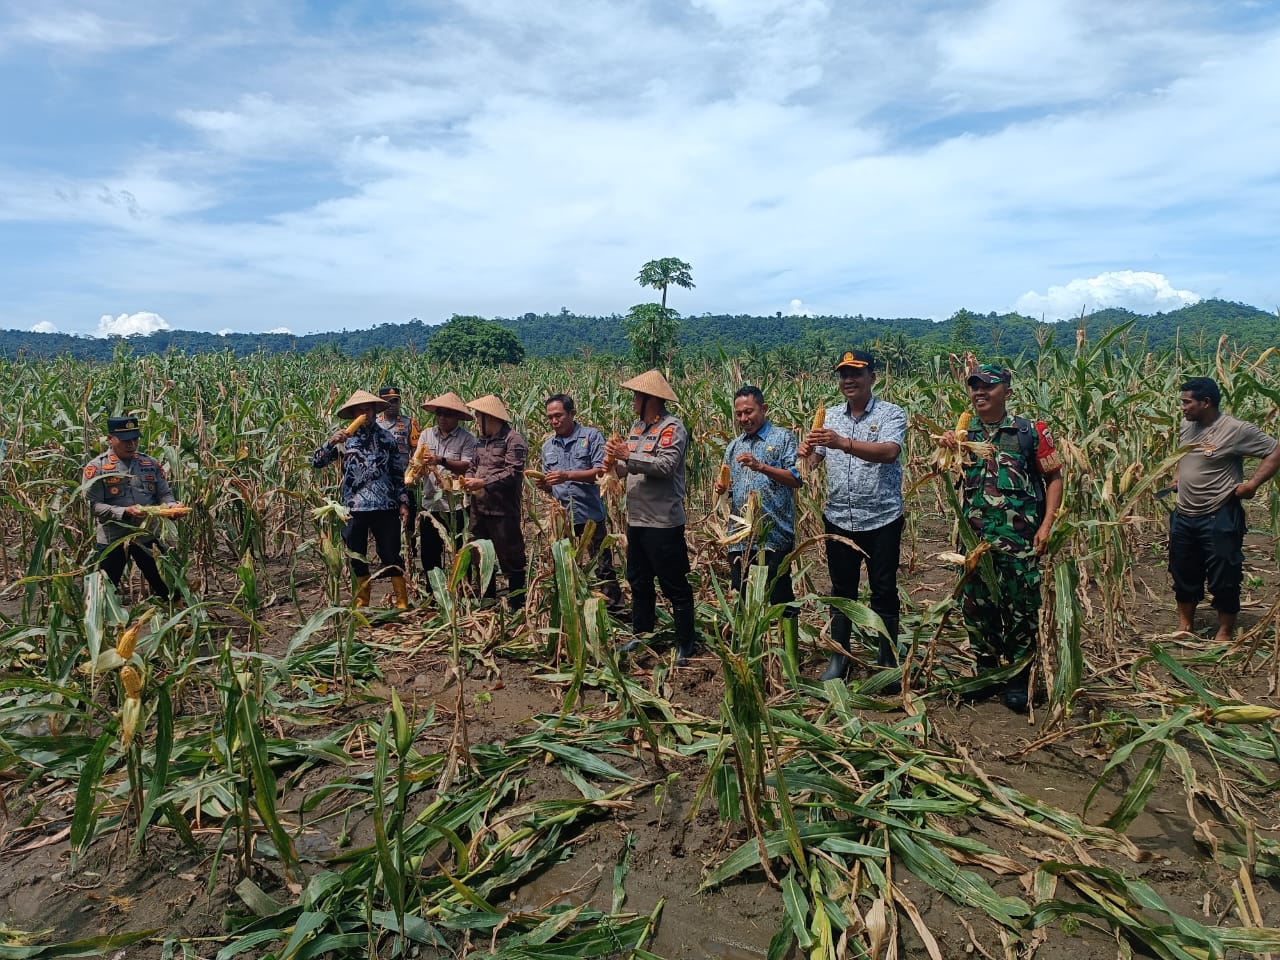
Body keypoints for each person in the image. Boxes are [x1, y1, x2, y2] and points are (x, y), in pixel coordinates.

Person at [956, 363, 1064, 713]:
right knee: (976, 606)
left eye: (988, 386)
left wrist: (1047, 524)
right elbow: (948, 473)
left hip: (1018, 540)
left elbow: (1055, 479)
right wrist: (947, 451)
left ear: (1008, 391)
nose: (979, 392)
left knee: (1021, 609)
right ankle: (986, 672)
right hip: (974, 541)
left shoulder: (1029, 432)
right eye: (974, 386)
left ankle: (1019, 676)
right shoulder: (964, 432)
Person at [799, 349, 906, 683]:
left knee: (884, 589)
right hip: (839, 520)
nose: (848, 380)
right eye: (844, 374)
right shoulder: (829, 416)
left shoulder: (892, 413)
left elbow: (889, 452)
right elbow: (814, 461)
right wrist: (805, 454)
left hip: (882, 519)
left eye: (856, 373)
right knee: (842, 589)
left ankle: (887, 659)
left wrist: (842, 442)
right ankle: (840, 656)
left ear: (872, 377)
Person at [1171, 376, 1280, 642]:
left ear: (1205, 402)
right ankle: (1186, 625)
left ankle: (1224, 631)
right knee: (1183, 571)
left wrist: (1252, 484)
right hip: (1184, 515)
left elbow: (1276, 450)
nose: (1182, 408)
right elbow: (1185, 455)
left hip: (1219, 514)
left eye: (1187, 402)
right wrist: (1179, 475)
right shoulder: (1188, 425)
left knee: (1224, 573)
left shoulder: (1235, 429)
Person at [605, 370, 696, 665]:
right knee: (639, 580)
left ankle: (685, 643)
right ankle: (642, 634)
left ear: (650, 400)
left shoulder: (673, 428)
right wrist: (611, 465)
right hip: (637, 521)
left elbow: (665, 465)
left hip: (662, 522)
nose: (632, 401)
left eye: (636, 396)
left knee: (674, 584)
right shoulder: (637, 428)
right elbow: (628, 468)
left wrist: (627, 456)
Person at [713, 386, 801, 660]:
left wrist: (761, 465)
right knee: (741, 596)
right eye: (738, 414)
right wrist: (721, 488)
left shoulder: (783, 438)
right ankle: (749, 651)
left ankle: (789, 655)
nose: (743, 418)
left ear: (763, 409)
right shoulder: (734, 446)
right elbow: (729, 486)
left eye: (748, 411)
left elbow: (797, 477)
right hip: (740, 535)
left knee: (780, 596)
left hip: (774, 533)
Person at [311, 389, 410, 609]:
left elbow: (397, 474)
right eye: (360, 410)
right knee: (357, 555)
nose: (364, 413)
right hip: (354, 506)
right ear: (353, 413)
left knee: (391, 553)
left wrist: (403, 501)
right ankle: (361, 603)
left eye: (368, 409)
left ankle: (402, 602)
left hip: (386, 506)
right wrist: (330, 443)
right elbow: (316, 462)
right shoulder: (344, 440)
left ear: (375, 411)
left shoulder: (387, 438)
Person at [538, 393, 624, 610]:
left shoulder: (591, 437)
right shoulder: (548, 446)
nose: (554, 421)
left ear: (572, 414)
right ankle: (574, 608)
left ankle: (615, 610)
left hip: (589, 514)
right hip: (562, 517)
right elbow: (552, 483)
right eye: (550, 417)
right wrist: (546, 485)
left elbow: (601, 471)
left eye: (558, 416)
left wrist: (567, 475)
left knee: (602, 565)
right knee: (567, 567)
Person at [83, 415, 183, 600]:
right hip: (113, 538)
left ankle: (177, 621)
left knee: (168, 587)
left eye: (135, 439)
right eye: (125, 440)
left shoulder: (149, 464)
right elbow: (93, 506)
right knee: (103, 592)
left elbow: (164, 494)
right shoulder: (97, 468)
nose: (132, 444)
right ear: (110, 438)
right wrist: (124, 512)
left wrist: (172, 506)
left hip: (146, 535)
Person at [462, 394, 527, 608]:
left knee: (511, 559)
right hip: (479, 510)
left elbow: (513, 473)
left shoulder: (513, 440)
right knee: (481, 557)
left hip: (503, 511)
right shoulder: (481, 441)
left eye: (478, 416)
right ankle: (487, 602)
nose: (476, 421)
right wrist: (468, 478)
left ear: (489, 417)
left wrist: (483, 482)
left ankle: (517, 604)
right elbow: (473, 464)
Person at [411, 391, 477, 582]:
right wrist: (417, 468)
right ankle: (435, 591)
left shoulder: (467, 439)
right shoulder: (426, 434)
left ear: (457, 417)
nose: (442, 418)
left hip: (457, 505)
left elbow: (467, 465)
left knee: (461, 550)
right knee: (430, 553)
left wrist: (440, 460)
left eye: (447, 414)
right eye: (439, 414)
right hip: (431, 503)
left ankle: (465, 589)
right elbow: (418, 462)